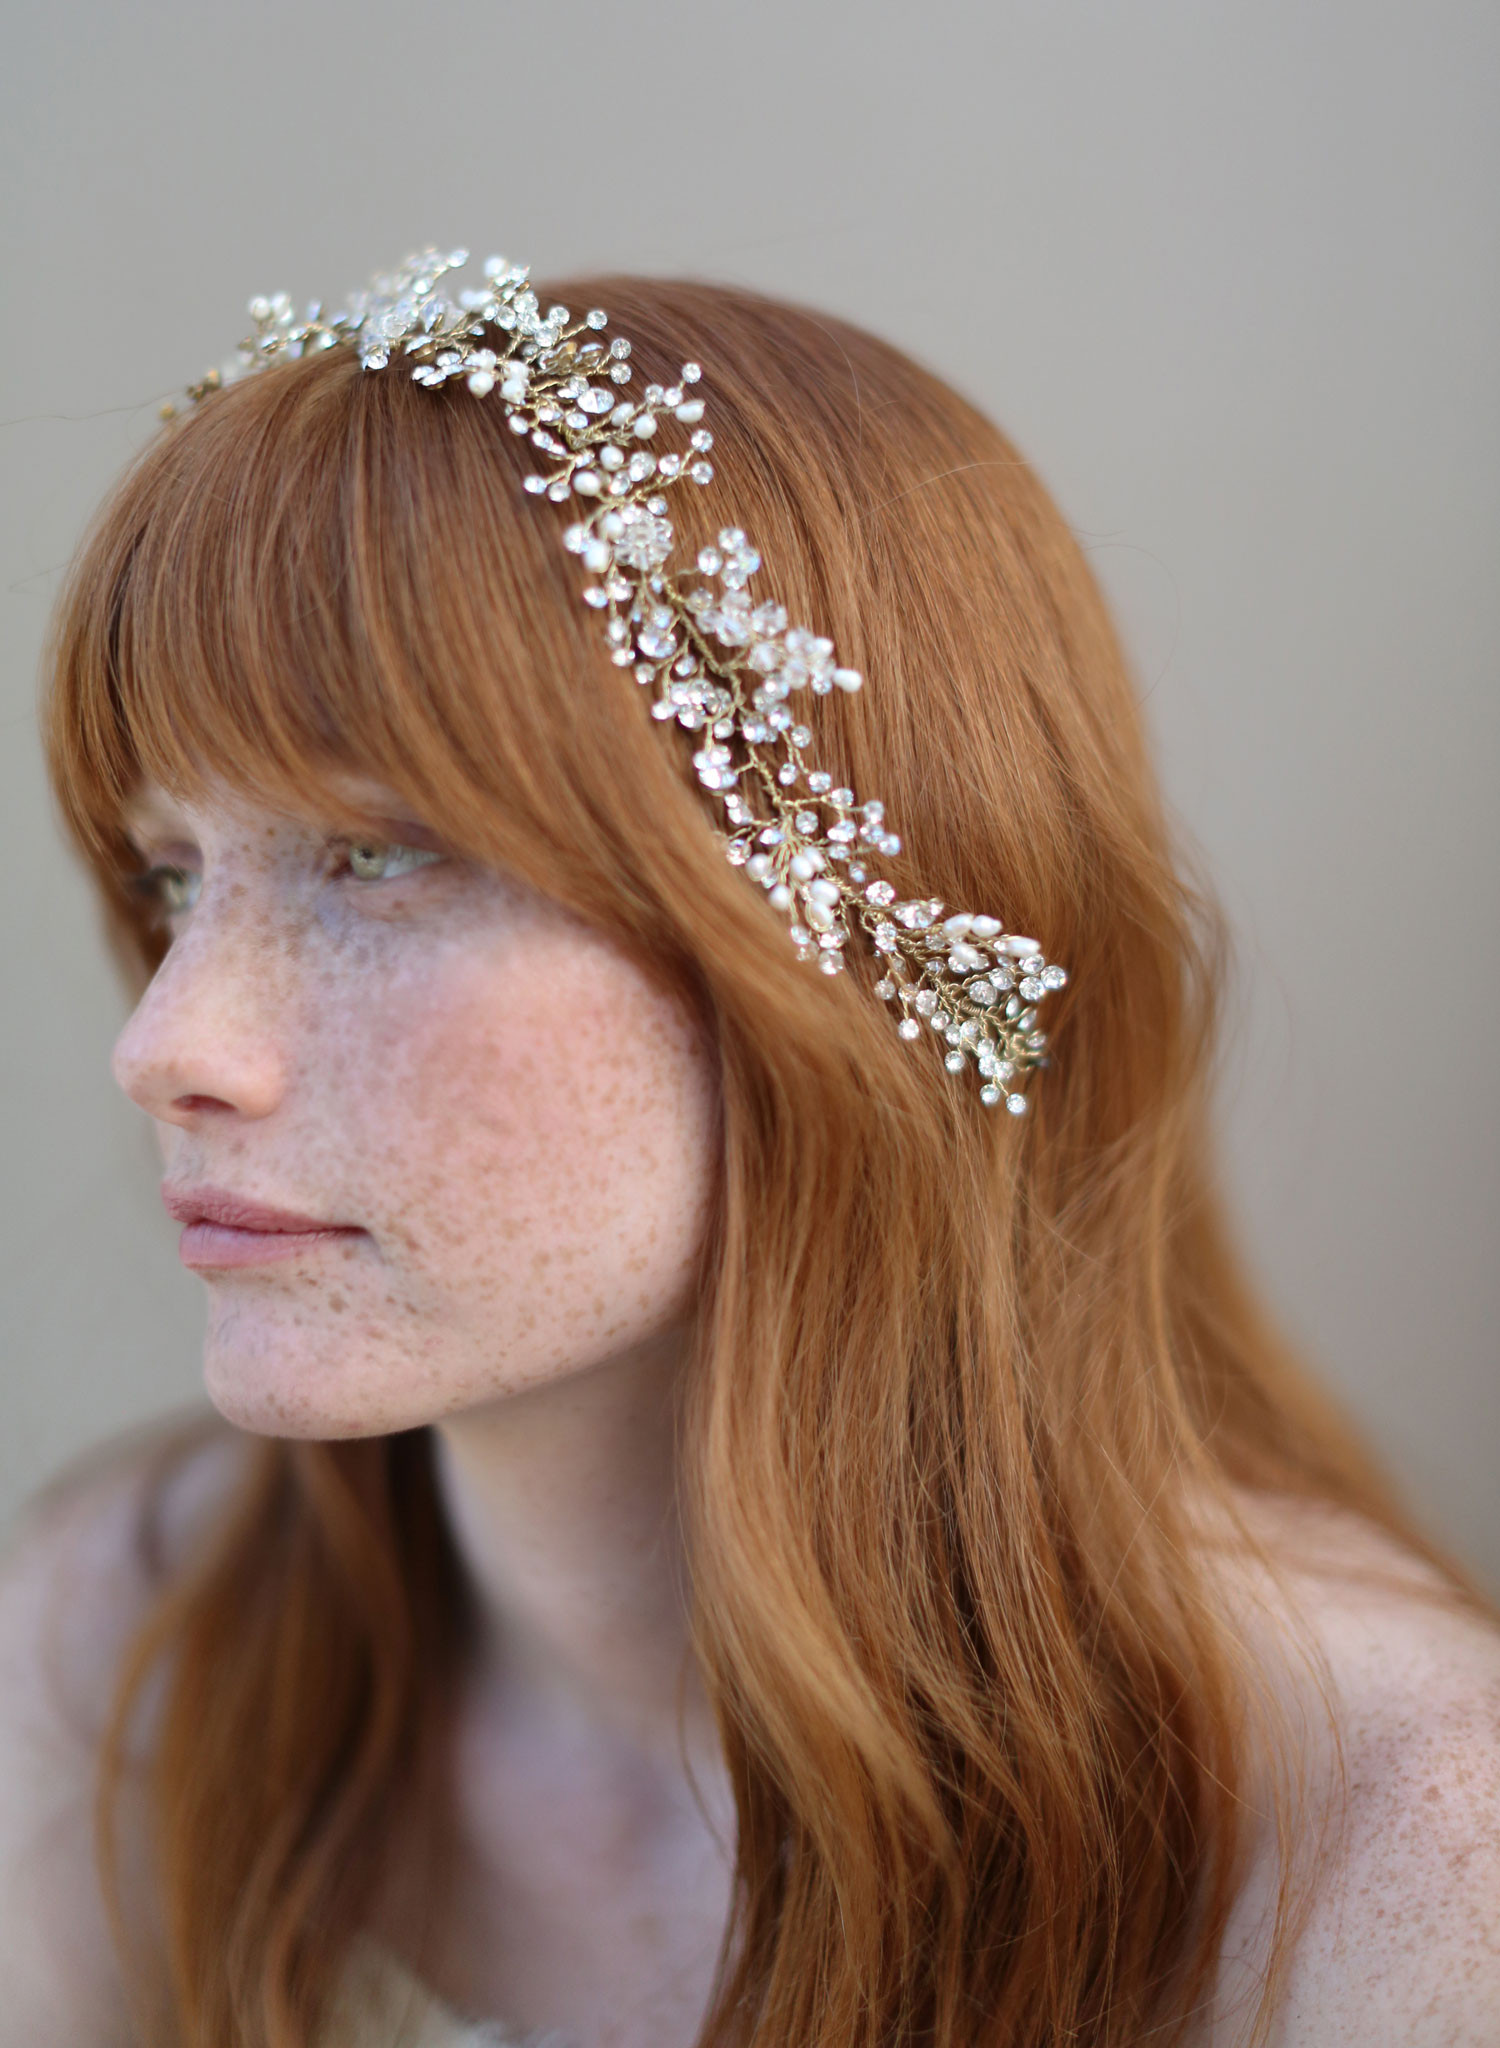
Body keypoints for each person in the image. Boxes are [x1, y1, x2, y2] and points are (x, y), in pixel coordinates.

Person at [2, 253, 1496, 2048]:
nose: (166, 1044)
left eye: (379, 856)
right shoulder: (120, 1664)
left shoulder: (1400, 1859)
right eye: (170, 875)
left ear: (835, 966)